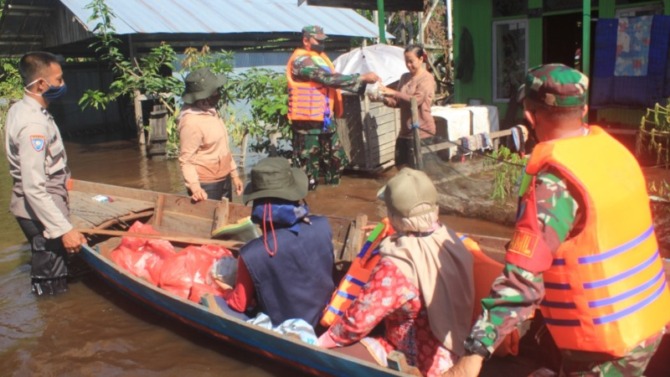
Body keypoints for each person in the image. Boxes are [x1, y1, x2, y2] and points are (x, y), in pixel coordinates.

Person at [445, 64, 670, 377]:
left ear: (529, 115)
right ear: (585, 110)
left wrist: (473, 355)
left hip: (608, 347)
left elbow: (523, 284)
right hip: (651, 319)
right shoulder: (614, 152)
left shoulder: (555, 184)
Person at [318, 168, 475, 377]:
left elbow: (357, 322)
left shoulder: (396, 266)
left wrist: (321, 342)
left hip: (419, 362)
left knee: (331, 360)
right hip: (458, 352)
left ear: (393, 216)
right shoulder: (453, 241)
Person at [215, 157, 335, 328]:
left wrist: (222, 289)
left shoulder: (250, 254)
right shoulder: (323, 224)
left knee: (206, 296)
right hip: (325, 315)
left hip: (288, 327)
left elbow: (238, 304)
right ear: (296, 196)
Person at [4, 51, 87, 296]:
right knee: (51, 285)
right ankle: (53, 324)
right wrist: (64, 229)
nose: (62, 84)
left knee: (52, 269)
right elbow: (33, 187)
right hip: (39, 206)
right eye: (58, 80)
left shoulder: (20, 109)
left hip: (43, 200)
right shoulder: (34, 127)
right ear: (42, 84)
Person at [286, 25, 380, 190]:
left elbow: (335, 80)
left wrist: (369, 88)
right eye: (318, 40)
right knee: (308, 171)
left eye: (323, 40)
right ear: (305, 40)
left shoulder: (320, 58)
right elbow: (328, 79)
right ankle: (311, 205)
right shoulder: (301, 61)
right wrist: (363, 78)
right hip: (306, 125)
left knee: (336, 160)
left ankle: (333, 198)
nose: (321, 44)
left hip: (324, 121)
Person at [178, 67, 242, 202]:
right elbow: (186, 160)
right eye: (215, 91)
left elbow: (223, 148)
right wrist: (195, 188)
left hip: (224, 178)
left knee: (227, 220)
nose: (218, 93)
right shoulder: (191, 123)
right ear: (203, 98)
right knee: (210, 222)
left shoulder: (210, 112)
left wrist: (234, 175)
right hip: (206, 184)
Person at [381, 44, 436, 169]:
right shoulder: (404, 77)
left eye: (411, 61)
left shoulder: (427, 78)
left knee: (420, 173)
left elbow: (416, 100)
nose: (408, 65)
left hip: (422, 131)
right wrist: (382, 98)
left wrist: (394, 92)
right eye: (406, 62)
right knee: (401, 167)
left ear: (421, 59)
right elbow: (397, 102)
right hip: (405, 131)